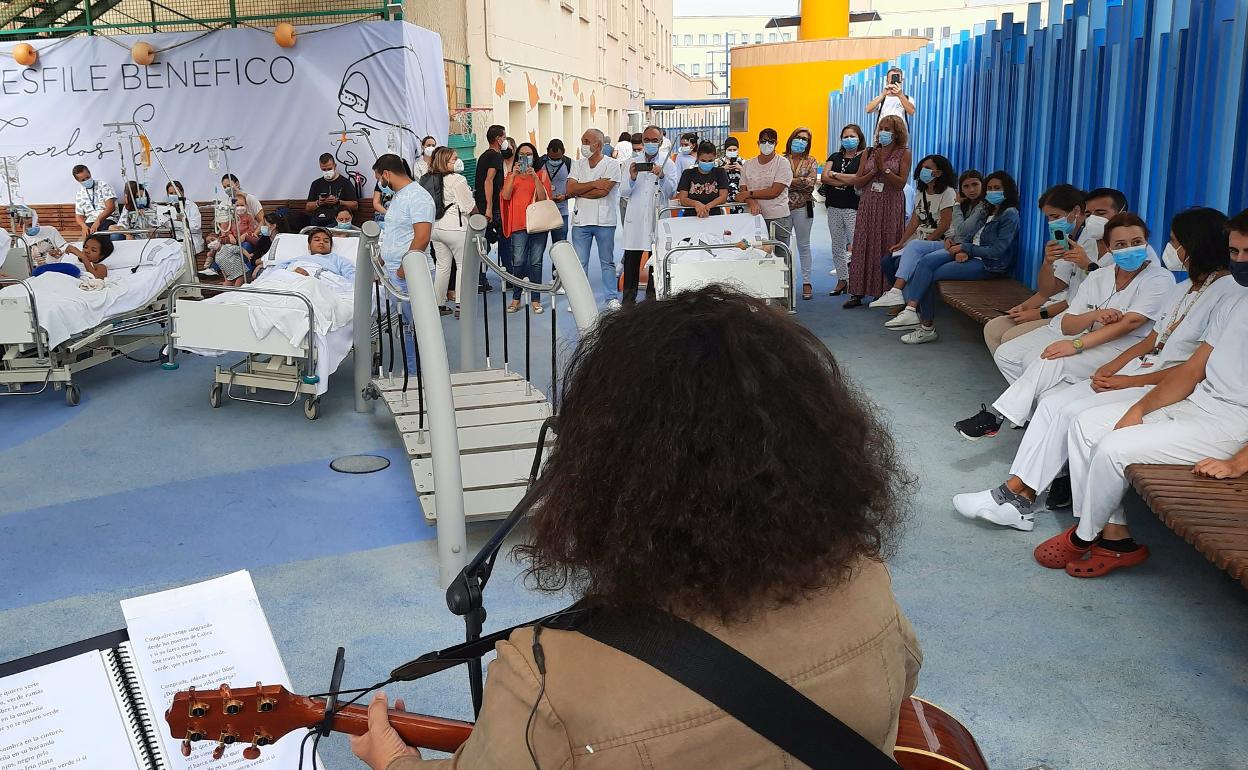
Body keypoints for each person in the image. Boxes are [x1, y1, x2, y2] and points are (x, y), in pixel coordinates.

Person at [349, 286, 921, 770]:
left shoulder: (548, 681)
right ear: (820, 445)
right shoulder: (868, 585)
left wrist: (394, 760)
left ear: (601, 475)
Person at [954, 207, 1237, 531]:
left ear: (1194, 245)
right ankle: (1017, 497)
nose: (1169, 249)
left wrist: (1127, 378)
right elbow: (1151, 342)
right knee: (1051, 403)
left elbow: (1192, 367)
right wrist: (1112, 370)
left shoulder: (1225, 293)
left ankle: (1014, 495)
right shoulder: (1183, 287)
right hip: (1137, 368)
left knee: (1069, 409)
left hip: (1161, 385)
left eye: (1174, 241)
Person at [1028, 210, 1248, 578]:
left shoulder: (1224, 291)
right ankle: (1113, 537)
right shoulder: (1237, 299)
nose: (1240, 262)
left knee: (1114, 449)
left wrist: (1238, 463)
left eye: (1247, 253)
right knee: (1088, 424)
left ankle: (1086, 538)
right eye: (1235, 252)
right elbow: (1194, 370)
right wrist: (1139, 410)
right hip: (1197, 403)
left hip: (1232, 423)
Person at [954, 213, 1176, 439]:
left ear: (1147, 242)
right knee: (1050, 392)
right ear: (1108, 248)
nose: (1129, 249)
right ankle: (1045, 446)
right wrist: (1093, 315)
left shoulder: (1159, 278)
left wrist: (1077, 344)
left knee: (1049, 361)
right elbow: (1069, 325)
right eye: (1120, 244)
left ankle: (997, 416)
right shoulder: (1099, 277)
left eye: (1136, 242)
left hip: (1127, 350)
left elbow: (1132, 322)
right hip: (1093, 342)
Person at [883, 170, 1019, 343]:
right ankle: (911, 311)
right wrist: (955, 243)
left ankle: (925, 327)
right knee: (923, 264)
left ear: (1007, 190)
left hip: (988, 264)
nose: (992, 192)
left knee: (929, 276)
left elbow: (997, 250)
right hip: (967, 253)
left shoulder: (1010, 214)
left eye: (997, 188)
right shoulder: (985, 209)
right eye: (990, 188)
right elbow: (964, 232)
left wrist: (965, 248)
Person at [982, 184, 1099, 353]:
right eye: (1048, 218)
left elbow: (1072, 299)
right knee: (993, 329)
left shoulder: (1092, 243)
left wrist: (1039, 314)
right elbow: (1047, 290)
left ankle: (1029, 377)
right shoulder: (1067, 239)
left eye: (1055, 216)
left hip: (1071, 313)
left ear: (1076, 211)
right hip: (1054, 307)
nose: (1051, 223)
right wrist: (1047, 263)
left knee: (1010, 339)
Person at [826, 116, 910, 308]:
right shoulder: (870, 152)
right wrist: (874, 171)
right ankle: (857, 291)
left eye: (887, 129)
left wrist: (884, 170)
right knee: (863, 244)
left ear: (897, 132)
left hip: (891, 204)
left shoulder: (904, 153)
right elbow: (859, 181)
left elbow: (900, 184)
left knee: (886, 244)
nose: (883, 132)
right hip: (869, 202)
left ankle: (885, 291)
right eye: (881, 128)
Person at [871, 154, 957, 309]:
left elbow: (944, 225)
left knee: (903, 260)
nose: (923, 170)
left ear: (939, 173)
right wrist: (902, 242)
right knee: (888, 261)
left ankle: (904, 298)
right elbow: (915, 221)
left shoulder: (948, 192)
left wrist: (924, 244)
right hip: (919, 240)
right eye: (923, 167)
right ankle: (900, 298)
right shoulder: (921, 191)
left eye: (928, 168)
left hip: (940, 241)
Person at [619, 125, 678, 307]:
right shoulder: (631, 162)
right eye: (647, 140)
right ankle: (628, 304)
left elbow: (670, 192)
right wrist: (632, 178)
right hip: (635, 219)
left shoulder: (668, 163)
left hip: (656, 217)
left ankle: (651, 302)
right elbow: (623, 192)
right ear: (642, 141)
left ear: (661, 142)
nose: (650, 143)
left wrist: (662, 176)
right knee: (631, 262)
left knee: (656, 261)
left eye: (654, 140)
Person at [567, 129, 622, 307]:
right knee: (580, 263)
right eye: (582, 140)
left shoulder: (612, 164)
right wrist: (593, 184)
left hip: (604, 222)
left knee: (607, 261)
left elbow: (604, 192)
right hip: (581, 222)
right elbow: (570, 190)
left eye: (586, 141)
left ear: (598, 145)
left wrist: (581, 191)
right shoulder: (577, 164)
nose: (583, 145)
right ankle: (580, 300)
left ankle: (611, 297)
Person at [374, 154, 435, 305]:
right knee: (405, 324)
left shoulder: (418, 197)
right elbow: (393, 232)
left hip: (411, 273)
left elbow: (422, 238)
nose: (379, 183)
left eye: (379, 178)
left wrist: (403, 271)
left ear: (386, 174)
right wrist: (381, 261)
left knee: (419, 324)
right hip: (395, 271)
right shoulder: (398, 196)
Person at [422, 147, 477, 315]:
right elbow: (469, 206)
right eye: (454, 159)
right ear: (445, 161)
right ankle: (461, 305)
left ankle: (438, 304)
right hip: (455, 227)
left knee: (442, 266)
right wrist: (480, 218)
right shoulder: (457, 179)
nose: (458, 161)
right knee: (462, 265)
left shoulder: (426, 179)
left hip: (435, 228)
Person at [501, 142, 554, 314]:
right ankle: (516, 298)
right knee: (518, 262)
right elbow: (506, 196)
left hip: (538, 225)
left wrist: (535, 178)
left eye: (529, 154)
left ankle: (535, 300)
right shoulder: (511, 175)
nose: (526, 157)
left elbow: (542, 197)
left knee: (536, 262)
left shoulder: (542, 174)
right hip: (518, 224)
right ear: (517, 157)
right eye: (522, 154)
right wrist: (513, 175)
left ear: (534, 156)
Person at [821, 124, 866, 297]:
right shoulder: (834, 156)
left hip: (853, 207)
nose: (848, 139)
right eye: (845, 136)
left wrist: (835, 175)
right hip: (833, 206)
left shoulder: (864, 156)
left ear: (859, 137)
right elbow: (825, 177)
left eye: (852, 136)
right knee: (837, 246)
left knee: (858, 245)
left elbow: (858, 179)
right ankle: (842, 280)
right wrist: (845, 180)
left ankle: (857, 281)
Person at [737, 127, 794, 253]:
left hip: (777, 219)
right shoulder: (748, 164)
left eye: (771, 141)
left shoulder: (782, 163)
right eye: (763, 141)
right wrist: (751, 202)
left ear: (776, 144)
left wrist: (750, 194)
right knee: (753, 255)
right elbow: (743, 190)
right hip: (752, 218)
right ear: (758, 143)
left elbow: (774, 191)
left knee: (780, 259)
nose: (767, 144)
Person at [784, 127, 820, 300]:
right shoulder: (781, 159)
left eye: (805, 139)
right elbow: (776, 182)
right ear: (791, 139)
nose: (801, 141)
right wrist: (798, 182)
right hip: (781, 208)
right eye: (798, 137)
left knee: (803, 246)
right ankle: (784, 280)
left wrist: (788, 182)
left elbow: (811, 184)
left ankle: (807, 282)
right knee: (782, 245)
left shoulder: (812, 161)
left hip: (803, 207)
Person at [256, 227, 357, 281]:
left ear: (330, 247)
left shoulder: (337, 260)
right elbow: (276, 270)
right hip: (291, 282)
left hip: (320, 283)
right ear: (309, 246)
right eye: (317, 240)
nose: (322, 242)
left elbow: (353, 277)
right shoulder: (298, 259)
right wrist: (293, 269)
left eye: (326, 241)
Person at [475, 125, 508, 285]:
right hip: (491, 207)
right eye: (504, 137)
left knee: (485, 243)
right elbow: (488, 181)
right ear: (498, 138)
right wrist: (489, 207)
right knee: (499, 241)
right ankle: (504, 277)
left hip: (485, 205)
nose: (505, 140)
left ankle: (480, 278)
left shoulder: (484, 156)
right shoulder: (495, 156)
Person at [675, 140, 730, 217]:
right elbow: (683, 199)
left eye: (710, 161)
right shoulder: (687, 173)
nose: (707, 163)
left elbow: (723, 197)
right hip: (691, 217)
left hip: (714, 216)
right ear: (698, 158)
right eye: (703, 161)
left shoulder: (720, 172)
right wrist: (696, 204)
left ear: (715, 158)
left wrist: (707, 207)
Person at [306, 153, 359, 228]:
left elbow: (355, 205)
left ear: (335, 166)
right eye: (324, 169)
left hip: (337, 220)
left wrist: (338, 202)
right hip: (317, 219)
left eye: (329, 169)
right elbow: (308, 207)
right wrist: (319, 203)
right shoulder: (316, 184)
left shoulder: (345, 183)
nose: (327, 171)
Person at [71, 165, 117, 240]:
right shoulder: (80, 193)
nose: (86, 180)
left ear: (90, 173)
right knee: (83, 242)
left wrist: (98, 220)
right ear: (78, 181)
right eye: (83, 180)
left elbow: (111, 207)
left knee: (107, 236)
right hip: (90, 224)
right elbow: (79, 216)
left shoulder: (103, 185)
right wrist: (84, 226)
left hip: (107, 220)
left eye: (88, 177)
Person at [540, 140, 571, 244]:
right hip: (542, 211)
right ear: (547, 152)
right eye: (552, 158)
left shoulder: (570, 164)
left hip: (561, 211)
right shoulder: (539, 163)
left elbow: (575, 186)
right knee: (537, 248)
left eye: (557, 159)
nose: (554, 161)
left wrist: (565, 196)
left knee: (560, 246)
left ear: (564, 152)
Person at [163, 181, 204, 255]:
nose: (174, 195)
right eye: (171, 194)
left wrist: (182, 220)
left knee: (182, 251)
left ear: (182, 192)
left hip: (192, 239)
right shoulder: (167, 208)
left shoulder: (191, 206)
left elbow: (196, 225)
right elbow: (165, 225)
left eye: (176, 193)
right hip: (176, 240)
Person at [618, 133, 644, 223]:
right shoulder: (627, 163)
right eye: (634, 150)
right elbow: (622, 188)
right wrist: (632, 179)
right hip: (627, 201)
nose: (637, 152)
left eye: (639, 149)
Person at [720, 136, 744, 204]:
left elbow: (750, 179)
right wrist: (723, 169)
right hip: (723, 200)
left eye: (734, 150)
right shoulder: (718, 162)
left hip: (739, 200)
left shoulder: (744, 162)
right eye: (730, 150)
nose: (732, 152)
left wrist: (741, 169)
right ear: (725, 150)